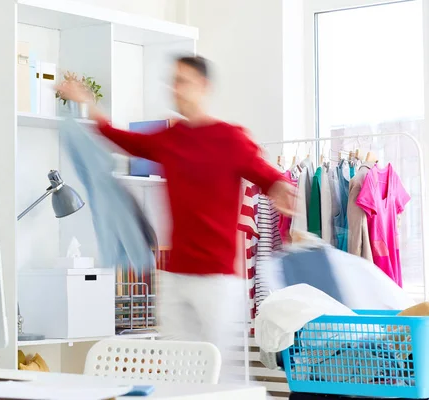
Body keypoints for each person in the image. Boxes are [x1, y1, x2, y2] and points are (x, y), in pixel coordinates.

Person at [57, 55, 295, 382]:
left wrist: (281, 190)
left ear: (203, 87)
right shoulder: (171, 139)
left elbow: (267, 175)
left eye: (183, 81)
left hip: (217, 281)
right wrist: (87, 103)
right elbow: (122, 140)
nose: (175, 89)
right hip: (175, 276)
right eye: (173, 81)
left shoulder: (231, 139)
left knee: (220, 377)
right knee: (176, 372)